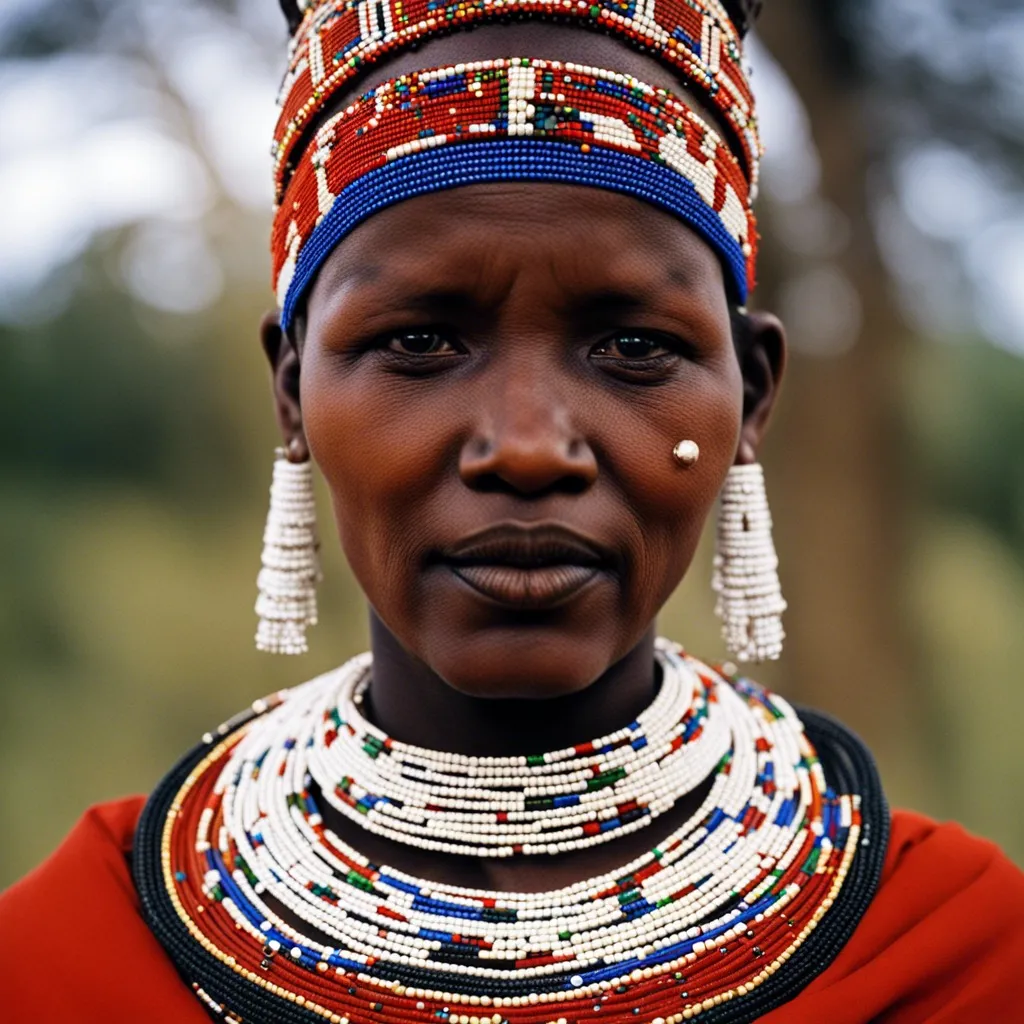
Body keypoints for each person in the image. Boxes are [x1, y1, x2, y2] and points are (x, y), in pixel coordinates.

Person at [2, 1, 1023, 1021]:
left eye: (632, 345)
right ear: (291, 391)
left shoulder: (954, 957)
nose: (529, 445)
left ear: (751, 397)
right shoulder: (71, 964)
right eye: (418, 341)